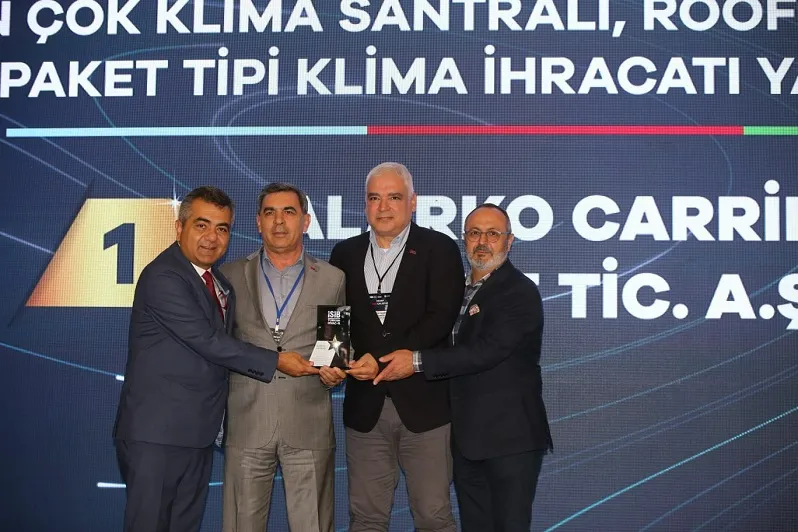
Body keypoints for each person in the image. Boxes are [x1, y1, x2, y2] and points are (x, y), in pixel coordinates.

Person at [113, 186, 318, 532]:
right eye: (201, 225)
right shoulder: (164, 276)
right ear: (179, 227)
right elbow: (209, 342)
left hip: (197, 434)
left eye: (222, 228)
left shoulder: (217, 281)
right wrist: (277, 361)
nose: (212, 237)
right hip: (157, 436)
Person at [374, 203, 554, 532]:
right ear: (464, 239)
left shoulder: (519, 291)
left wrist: (415, 361)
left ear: (510, 240)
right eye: (474, 233)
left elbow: (487, 351)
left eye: (493, 234)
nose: (482, 242)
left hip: (509, 440)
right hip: (465, 440)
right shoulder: (454, 290)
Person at [329, 162, 464, 532]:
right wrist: (334, 362)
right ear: (365, 204)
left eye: (393, 197)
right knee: (366, 519)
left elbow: (441, 317)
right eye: (375, 198)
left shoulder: (439, 248)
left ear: (412, 202)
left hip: (424, 407)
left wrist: (380, 359)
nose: (383, 207)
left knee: (433, 517)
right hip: (365, 409)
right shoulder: (345, 252)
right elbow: (336, 318)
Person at [220, 183, 346, 532]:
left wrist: (333, 372)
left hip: (308, 424)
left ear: (305, 221)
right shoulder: (229, 276)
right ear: (258, 222)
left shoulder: (333, 278)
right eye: (270, 212)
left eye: (289, 212)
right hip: (247, 424)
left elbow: (333, 349)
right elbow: (219, 347)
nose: (279, 221)